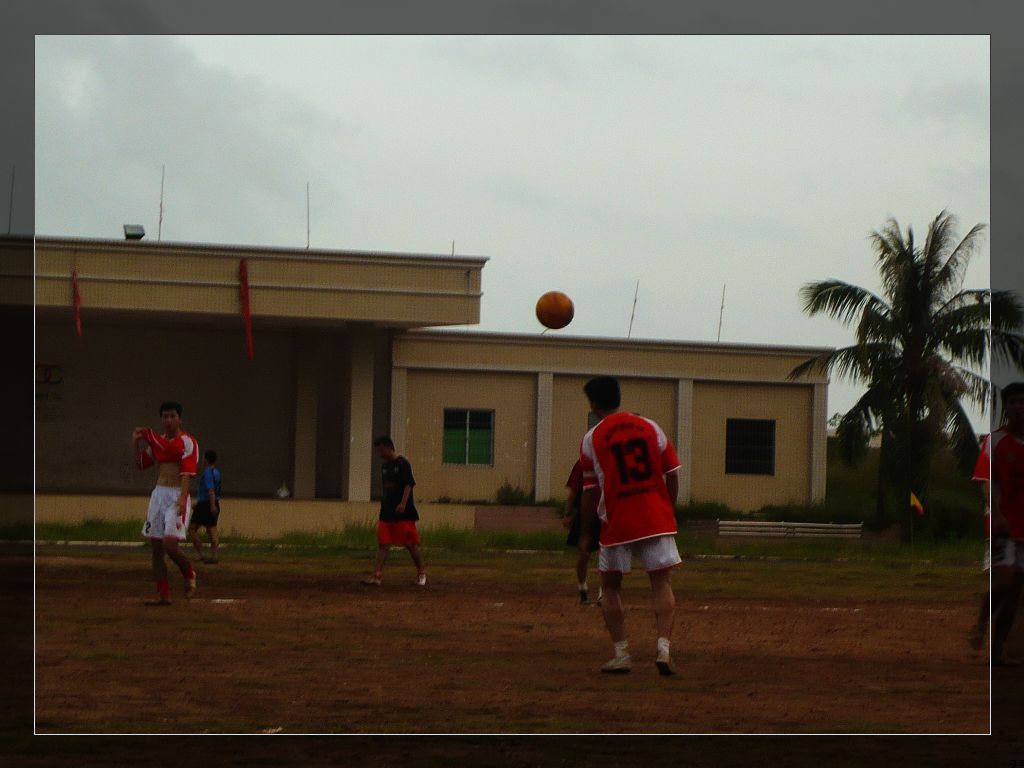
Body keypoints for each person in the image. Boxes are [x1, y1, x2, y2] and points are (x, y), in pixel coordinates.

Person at [578, 376, 682, 675]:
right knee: (661, 583)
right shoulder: (651, 426)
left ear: (593, 404)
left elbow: (590, 491)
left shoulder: (592, 439)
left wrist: (586, 532)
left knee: (610, 587)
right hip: (655, 516)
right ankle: (663, 648)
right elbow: (673, 473)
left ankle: (622, 654)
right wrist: (668, 509)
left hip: (617, 518)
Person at [133, 401, 198, 605]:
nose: (168, 420)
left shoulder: (187, 442)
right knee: (156, 547)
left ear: (180, 419)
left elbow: (186, 472)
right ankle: (163, 594)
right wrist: (137, 443)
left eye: (172, 416)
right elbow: (142, 463)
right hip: (159, 494)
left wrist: (183, 498)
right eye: (165, 417)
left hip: (177, 494)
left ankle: (189, 573)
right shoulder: (158, 442)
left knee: (170, 545)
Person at [980, 381, 1024, 666]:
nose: (1018, 407)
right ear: (1005, 407)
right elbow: (985, 481)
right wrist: (996, 514)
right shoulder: (994, 441)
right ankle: (981, 622)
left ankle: (998, 649)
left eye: (1022, 402)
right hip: (1004, 526)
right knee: (1004, 582)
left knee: (1015, 592)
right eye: (1013, 402)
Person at [362, 435, 426, 586]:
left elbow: (409, 484)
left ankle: (421, 572)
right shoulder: (384, 466)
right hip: (387, 511)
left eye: (381, 450)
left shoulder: (403, 463)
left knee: (410, 544)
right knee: (383, 543)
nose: (380, 454)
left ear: (389, 447)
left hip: (403, 512)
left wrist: (403, 503)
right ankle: (377, 575)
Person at [562, 458, 602, 606]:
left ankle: (603, 593)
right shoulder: (582, 464)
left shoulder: (610, 460)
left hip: (605, 513)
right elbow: (573, 490)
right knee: (584, 554)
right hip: (586, 513)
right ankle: (582, 589)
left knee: (606, 554)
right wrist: (568, 514)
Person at [188, 449, 222, 564]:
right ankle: (214, 555)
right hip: (213, 502)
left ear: (206, 459)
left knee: (192, 529)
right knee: (211, 528)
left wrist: (211, 506)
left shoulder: (207, 473)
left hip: (206, 504)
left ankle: (202, 553)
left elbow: (210, 490)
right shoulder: (217, 473)